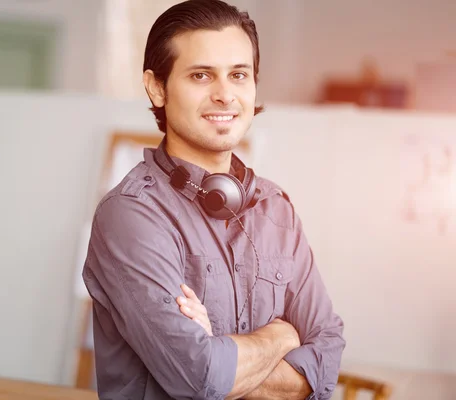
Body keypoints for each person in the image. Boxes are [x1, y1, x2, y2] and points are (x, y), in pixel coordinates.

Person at [82, 1, 346, 399]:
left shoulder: (276, 208)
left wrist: (223, 352)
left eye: (238, 75)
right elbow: (198, 378)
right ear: (157, 87)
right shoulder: (130, 216)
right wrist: (282, 335)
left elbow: (326, 364)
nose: (225, 95)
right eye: (201, 75)